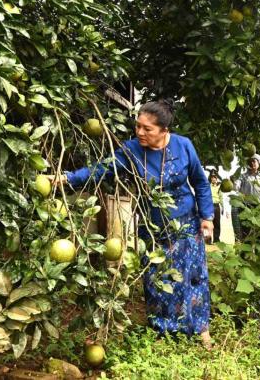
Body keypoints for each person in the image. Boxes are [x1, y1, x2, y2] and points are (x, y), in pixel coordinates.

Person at [50, 100, 214, 347]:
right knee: (158, 282)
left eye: (147, 128)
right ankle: (164, 333)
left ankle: (200, 329)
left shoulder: (184, 146)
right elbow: (102, 169)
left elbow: (200, 182)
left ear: (164, 130)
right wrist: (67, 178)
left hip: (186, 224)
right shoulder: (131, 150)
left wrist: (207, 217)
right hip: (153, 228)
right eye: (138, 126)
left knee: (192, 277)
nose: (140, 132)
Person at [232, 154, 260, 240]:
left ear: (259, 163)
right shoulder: (242, 176)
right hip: (246, 208)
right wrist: (233, 181)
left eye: (254, 161)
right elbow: (236, 187)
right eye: (251, 161)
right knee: (246, 233)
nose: (252, 163)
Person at [209, 172, 224, 243]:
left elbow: (221, 197)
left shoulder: (219, 187)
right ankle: (208, 239)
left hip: (217, 206)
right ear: (210, 179)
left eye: (214, 178)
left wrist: (223, 207)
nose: (213, 179)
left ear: (216, 179)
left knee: (217, 223)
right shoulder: (208, 186)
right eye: (212, 178)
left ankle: (216, 239)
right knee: (209, 222)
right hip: (210, 205)